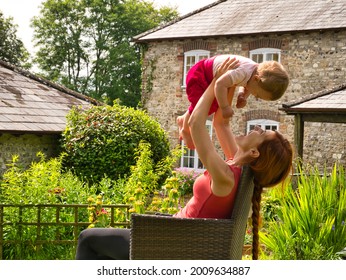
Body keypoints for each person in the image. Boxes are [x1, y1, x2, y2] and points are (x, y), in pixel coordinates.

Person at [75, 58, 293, 260]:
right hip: (172, 235)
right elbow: (220, 123)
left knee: (88, 239)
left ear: (254, 152)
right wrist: (232, 80)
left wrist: (216, 80)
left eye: (262, 133)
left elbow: (198, 123)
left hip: (168, 244)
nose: (256, 128)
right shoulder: (238, 167)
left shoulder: (227, 177)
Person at [177, 54, 289, 149]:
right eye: (258, 95)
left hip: (211, 76)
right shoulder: (243, 72)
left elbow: (245, 84)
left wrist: (243, 95)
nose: (255, 96)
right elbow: (220, 84)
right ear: (256, 79)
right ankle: (185, 129)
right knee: (200, 106)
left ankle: (183, 118)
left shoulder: (255, 72)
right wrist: (225, 107)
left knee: (212, 105)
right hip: (201, 74)